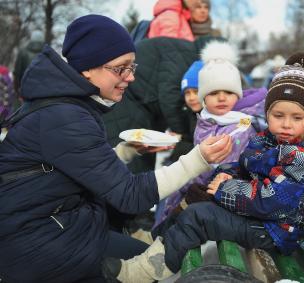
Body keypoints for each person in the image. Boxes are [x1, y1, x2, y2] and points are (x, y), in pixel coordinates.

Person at [0, 14, 232, 283]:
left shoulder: (66, 105)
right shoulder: (65, 115)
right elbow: (129, 195)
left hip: (48, 226)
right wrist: (198, 159)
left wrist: (125, 151)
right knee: (142, 266)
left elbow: (73, 166)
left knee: (139, 253)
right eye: (120, 68)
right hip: (34, 245)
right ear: (88, 68)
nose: (131, 77)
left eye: (132, 67)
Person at [108, 52, 304, 282]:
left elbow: (274, 202)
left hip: (279, 229)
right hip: (264, 217)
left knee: (199, 216)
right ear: (268, 113)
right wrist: (224, 174)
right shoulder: (269, 140)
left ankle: (144, 272)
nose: (286, 124)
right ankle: (154, 243)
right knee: (195, 199)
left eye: (297, 118)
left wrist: (225, 189)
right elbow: (245, 166)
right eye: (278, 115)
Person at [152, 40, 263, 228]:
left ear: (238, 94)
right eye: (213, 93)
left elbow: (219, 167)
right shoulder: (206, 119)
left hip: (224, 195)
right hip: (202, 187)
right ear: (204, 97)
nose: (221, 97)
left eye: (228, 91)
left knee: (177, 215)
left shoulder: (241, 126)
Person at [13, 30, 45, 97]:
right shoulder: (47, 53)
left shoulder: (22, 52)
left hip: (25, 90)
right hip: (43, 92)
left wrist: (17, 90)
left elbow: (17, 72)